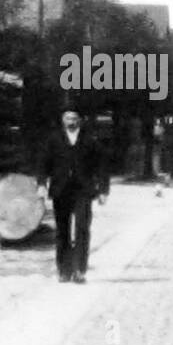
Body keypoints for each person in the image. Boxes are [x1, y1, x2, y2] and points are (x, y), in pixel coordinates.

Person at [37, 108, 108, 284]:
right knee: (62, 232)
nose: (71, 121)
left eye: (74, 118)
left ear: (79, 120)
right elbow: (43, 163)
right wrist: (41, 184)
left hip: (83, 191)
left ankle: (80, 270)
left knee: (82, 229)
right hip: (61, 191)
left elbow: (102, 166)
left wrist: (103, 191)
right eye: (68, 118)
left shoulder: (90, 140)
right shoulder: (53, 140)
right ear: (62, 120)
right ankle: (64, 270)